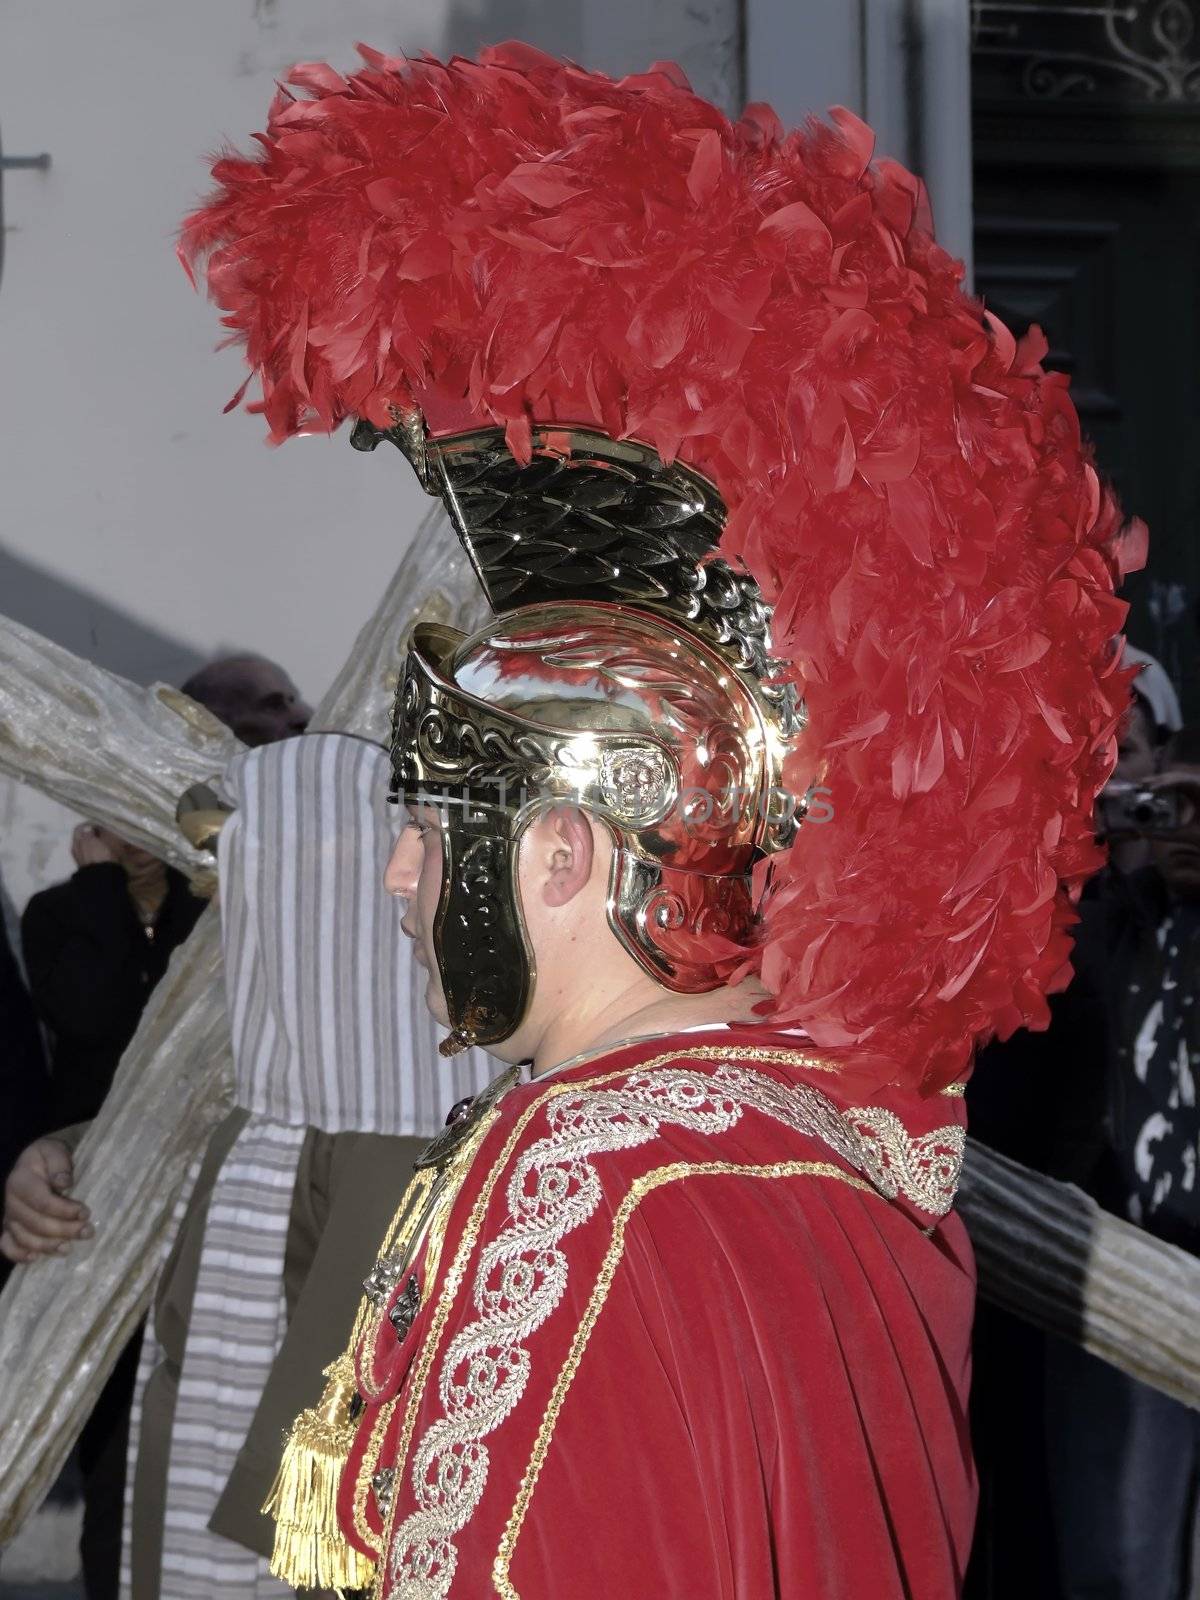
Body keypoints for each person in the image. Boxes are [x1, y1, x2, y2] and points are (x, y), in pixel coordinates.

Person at [177, 43, 1139, 1597]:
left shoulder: (580, 1176)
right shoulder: (843, 1123)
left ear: (565, 851)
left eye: (434, 822)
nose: (401, 873)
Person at [1, 651, 309, 1600]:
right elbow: (90, 1014)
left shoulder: (235, 907)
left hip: (227, 1228)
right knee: (117, 1475)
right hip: (98, 1213)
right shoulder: (64, 914)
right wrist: (102, 887)